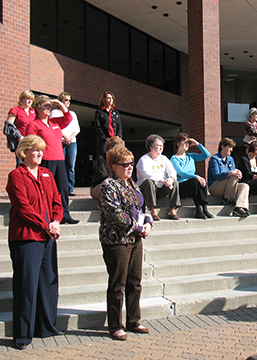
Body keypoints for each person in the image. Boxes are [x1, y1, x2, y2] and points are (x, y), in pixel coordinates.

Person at [6, 135, 64, 350]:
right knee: (26, 286)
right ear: (24, 152)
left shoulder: (47, 174)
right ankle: (22, 335)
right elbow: (23, 208)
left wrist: (56, 220)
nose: (40, 154)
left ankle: (46, 326)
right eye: (35, 150)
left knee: (48, 283)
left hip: (47, 235)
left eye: (41, 151)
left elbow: (57, 201)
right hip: (26, 237)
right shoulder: (16, 176)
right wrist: (47, 224)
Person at [98, 146, 153, 341]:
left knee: (135, 281)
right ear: (114, 167)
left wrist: (147, 223)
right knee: (117, 283)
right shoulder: (108, 186)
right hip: (117, 241)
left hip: (135, 240)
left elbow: (143, 208)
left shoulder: (132, 184)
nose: (130, 167)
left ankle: (133, 321)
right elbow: (115, 213)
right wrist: (137, 227)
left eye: (131, 163)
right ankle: (115, 325)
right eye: (125, 164)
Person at [26, 95, 79, 224]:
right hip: (45, 161)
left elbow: (68, 118)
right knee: (47, 189)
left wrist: (60, 104)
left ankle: (64, 214)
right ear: (38, 107)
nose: (49, 108)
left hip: (60, 159)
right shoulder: (34, 124)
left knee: (62, 189)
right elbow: (30, 143)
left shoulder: (54, 122)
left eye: (50, 106)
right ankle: (48, 214)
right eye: (45, 106)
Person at [136, 134, 181, 221]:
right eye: (158, 145)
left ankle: (172, 210)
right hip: (148, 189)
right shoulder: (144, 159)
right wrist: (163, 180)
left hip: (161, 188)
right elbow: (146, 174)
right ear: (151, 147)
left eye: (162, 146)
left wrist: (170, 179)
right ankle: (153, 210)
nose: (161, 148)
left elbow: (172, 170)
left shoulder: (163, 158)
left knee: (175, 182)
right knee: (149, 182)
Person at [170, 133, 213, 219]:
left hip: (193, 187)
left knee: (201, 181)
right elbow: (181, 172)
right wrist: (196, 176)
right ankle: (198, 209)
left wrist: (197, 144)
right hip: (181, 187)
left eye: (188, 143)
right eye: (185, 142)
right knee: (195, 180)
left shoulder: (191, 156)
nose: (187, 145)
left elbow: (207, 155)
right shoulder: (174, 158)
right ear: (178, 143)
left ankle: (204, 209)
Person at [208, 137, 250, 217]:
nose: (231, 150)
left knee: (245, 186)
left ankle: (239, 207)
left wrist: (238, 174)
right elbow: (217, 175)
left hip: (228, 187)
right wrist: (230, 173)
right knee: (233, 176)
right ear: (222, 147)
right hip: (215, 187)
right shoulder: (214, 159)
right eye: (229, 147)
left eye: (232, 148)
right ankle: (227, 199)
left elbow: (234, 174)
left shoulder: (231, 159)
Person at [50, 92, 80, 196]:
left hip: (72, 142)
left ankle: (70, 188)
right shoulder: (55, 112)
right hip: (60, 141)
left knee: (71, 166)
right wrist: (65, 137)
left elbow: (77, 128)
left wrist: (71, 137)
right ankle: (59, 188)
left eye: (69, 100)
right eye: (65, 100)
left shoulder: (73, 114)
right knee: (61, 165)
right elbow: (55, 126)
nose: (67, 102)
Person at [4, 90, 36, 166]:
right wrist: (19, 136)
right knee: (21, 163)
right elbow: (9, 125)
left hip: (32, 141)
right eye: (27, 98)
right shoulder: (16, 110)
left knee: (32, 163)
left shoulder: (33, 111)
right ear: (22, 99)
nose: (29, 101)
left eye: (31, 99)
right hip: (21, 141)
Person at [95, 91, 122, 155]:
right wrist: (105, 137)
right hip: (104, 140)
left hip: (115, 141)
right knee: (104, 158)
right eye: (108, 98)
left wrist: (118, 137)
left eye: (112, 98)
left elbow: (119, 126)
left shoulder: (115, 113)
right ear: (104, 99)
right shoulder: (100, 112)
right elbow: (98, 126)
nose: (111, 100)